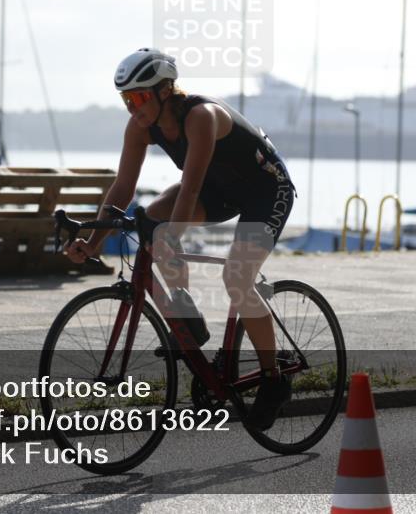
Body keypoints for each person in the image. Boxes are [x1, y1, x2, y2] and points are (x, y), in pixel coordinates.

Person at [64, 48, 296, 430]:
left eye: (138, 98)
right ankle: (187, 315)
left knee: (236, 278)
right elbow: (123, 187)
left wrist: (172, 236)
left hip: (265, 189)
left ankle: (274, 380)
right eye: (126, 100)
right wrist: (93, 242)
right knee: (150, 219)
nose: (132, 108)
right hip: (219, 191)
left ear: (164, 91)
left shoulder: (201, 117)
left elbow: (188, 193)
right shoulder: (140, 127)